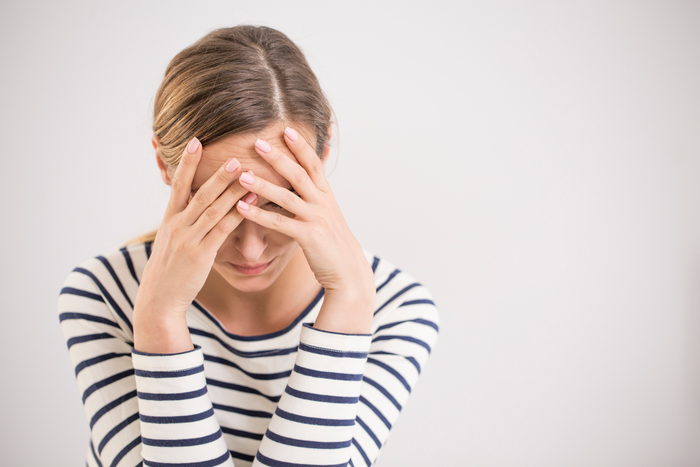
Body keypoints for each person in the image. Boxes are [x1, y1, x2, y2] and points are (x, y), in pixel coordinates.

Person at [58, 25, 439, 467]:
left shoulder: (394, 308)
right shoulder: (104, 293)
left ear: (324, 150)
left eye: (278, 202)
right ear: (165, 164)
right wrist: (160, 319)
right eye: (220, 207)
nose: (252, 251)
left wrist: (350, 301)